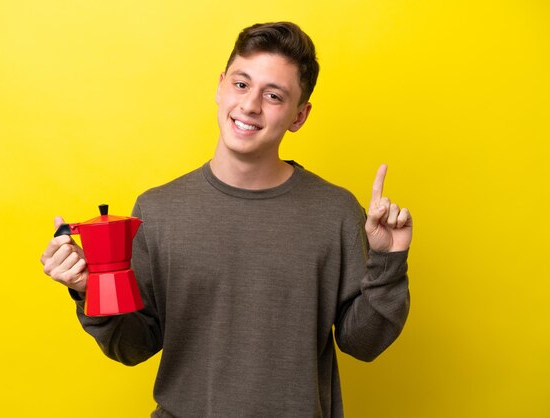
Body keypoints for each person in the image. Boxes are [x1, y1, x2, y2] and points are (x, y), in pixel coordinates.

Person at [40, 21, 412, 418]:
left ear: (299, 116)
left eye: (273, 95)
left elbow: (364, 344)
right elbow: (134, 345)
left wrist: (388, 262)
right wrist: (87, 287)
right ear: (220, 87)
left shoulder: (334, 212)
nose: (250, 105)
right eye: (240, 84)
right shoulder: (158, 211)